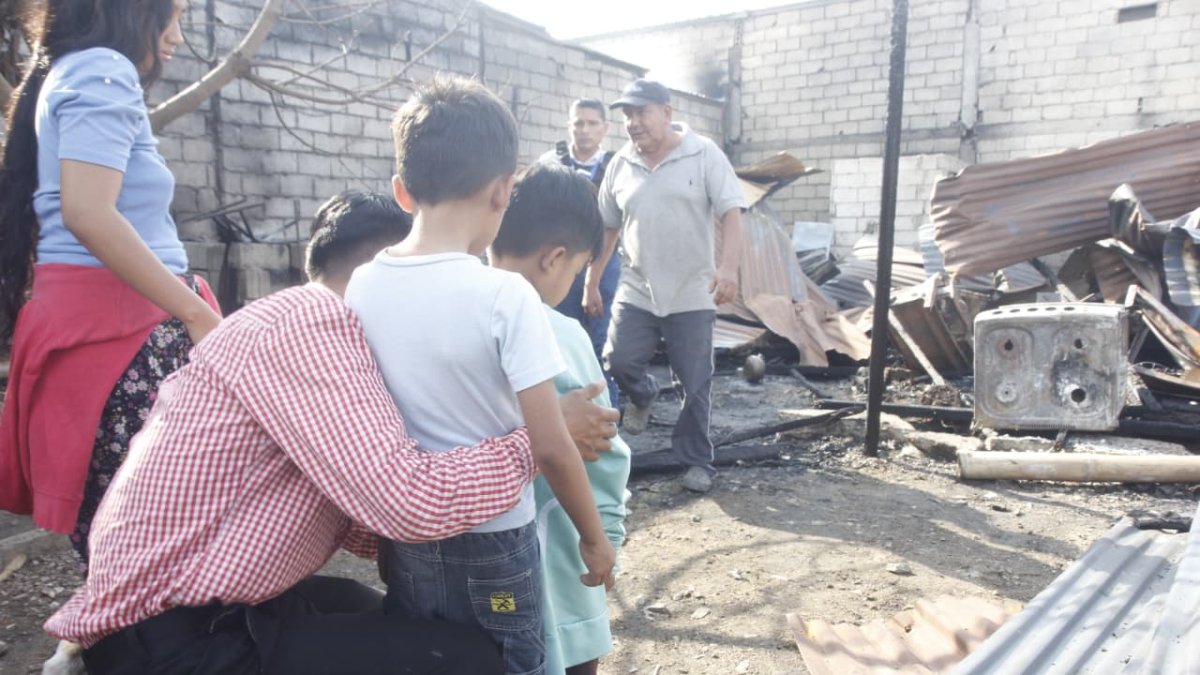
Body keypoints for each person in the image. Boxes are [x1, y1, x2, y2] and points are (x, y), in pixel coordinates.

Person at [41, 188, 620, 675]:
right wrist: (540, 437)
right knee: (468, 661)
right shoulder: (313, 324)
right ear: (378, 271)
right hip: (174, 640)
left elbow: (360, 512)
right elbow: (407, 503)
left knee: (376, 612)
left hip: (189, 604)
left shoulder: (289, 323)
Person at [345, 77, 615, 675]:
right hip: (496, 539)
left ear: (401, 191)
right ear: (503, 191)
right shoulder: (503, 296)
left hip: (407, 530)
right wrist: (594, 538)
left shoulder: (363, 282)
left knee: (427, 658)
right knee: (506, 661)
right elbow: (551, 446)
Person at [0, 0, 223, 572]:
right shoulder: (103, 69)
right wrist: (195, 314)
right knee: (153, 539)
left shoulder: (72, 72)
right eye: (169, 16)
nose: (176, 38)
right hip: (122, 341)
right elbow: (88, 213)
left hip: (106, 331)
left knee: (122, 540)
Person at [490, 164, 631, 675]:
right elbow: (604, 454)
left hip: (470, 572)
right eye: (576, 271)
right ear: (555, 259)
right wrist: (606, 538)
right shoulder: (560, 332)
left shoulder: (453, 315)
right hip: (558, 556)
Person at [598, 79, 747, 493]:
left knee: (695, 380)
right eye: (627, 115)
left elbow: (732, 212)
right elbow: (609, 226)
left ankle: (696, 461)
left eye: (642, 112)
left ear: (666, 112)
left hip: (691, 290)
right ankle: (644, 394)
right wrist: (593, 279)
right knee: (620, 360)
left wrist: (729, 268)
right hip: (637, 286)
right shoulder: (621, 163)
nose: (633, 123)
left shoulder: (703, 154)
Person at [538, 99, 622, 409]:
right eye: (578, 123)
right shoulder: (550, 163)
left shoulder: (617, 166)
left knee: (602, 344)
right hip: (561, 263)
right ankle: (569, 413)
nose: (584, 130)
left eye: (591, 123)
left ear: (605, 129)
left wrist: (595, 277)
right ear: (569, 126)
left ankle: (607, 416)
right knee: (563, 340)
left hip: (604, 261)